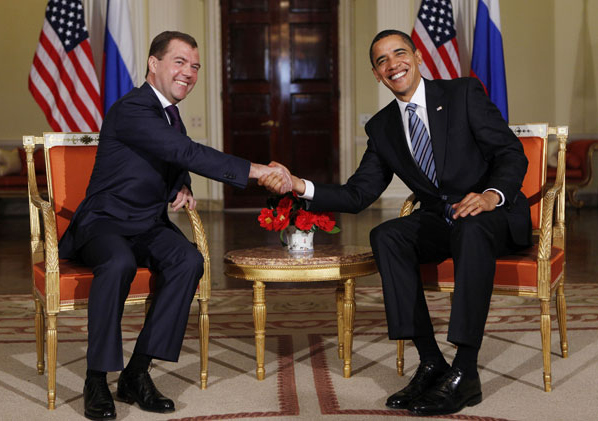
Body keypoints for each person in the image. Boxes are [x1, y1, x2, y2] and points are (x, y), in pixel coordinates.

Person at [262, 30, 531, 416]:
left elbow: (511, 153)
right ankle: (430, 361)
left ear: (417, 56)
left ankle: (466, 371)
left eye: (399, 54)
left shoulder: (462, 94)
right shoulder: (383, 127)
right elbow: (357, 195)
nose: (393, 64)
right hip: (445, 219)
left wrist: (491, 195)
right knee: (387, 235)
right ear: (377, 74)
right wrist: (297, 184)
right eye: (383, 61)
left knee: (471, 227)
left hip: (495, 215)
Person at [58, 31, 291, 420]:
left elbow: (174, 158)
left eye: (195, 66)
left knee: (188, 260)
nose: (189, 72)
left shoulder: (169, 115)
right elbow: (183, 150)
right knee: (117, 263)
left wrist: (182, 183)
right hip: (105, 223)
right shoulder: (132, 107)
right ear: (154, 63)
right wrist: (257, 171)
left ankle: (136, 372)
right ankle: (96, 378)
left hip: (147, 223)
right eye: (180, 62)